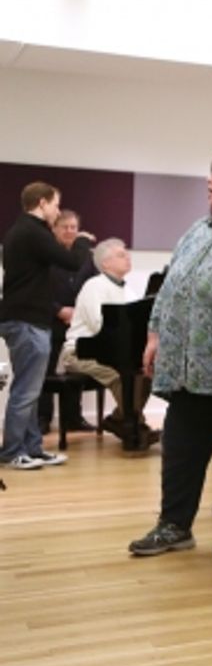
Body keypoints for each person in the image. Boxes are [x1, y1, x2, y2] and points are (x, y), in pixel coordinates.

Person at [130, 153, 212, 553]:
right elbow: (168, 287)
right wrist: (153, 335)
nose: (209, 181)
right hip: (185, 367)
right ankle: (174, 525)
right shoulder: (196, 230)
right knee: (180, 447)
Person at [0, 183, 87, 469]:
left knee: (31, 389)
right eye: (55, 205)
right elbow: (72, 261)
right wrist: (83, 241)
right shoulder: (33, 232)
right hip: (26, 320)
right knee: (26, 390)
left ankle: (33, 448)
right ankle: (13, 451)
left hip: (24, 318)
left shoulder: (21, 231)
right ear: (41, 203)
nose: (58, 211)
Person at [59, 237, 153, 445]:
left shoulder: (128, 290)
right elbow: (97, 325)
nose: (128, 257)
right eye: (121, 255)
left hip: (108, 350)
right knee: (119, 376)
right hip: (79, 352)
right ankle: (135, 426)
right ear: (105, 264)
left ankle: (120, 419)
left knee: (146, 374)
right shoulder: (94, 286)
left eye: (127, 253)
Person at [37, 209, 95, 436]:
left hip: (78, 323)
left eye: (74, 227)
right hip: (51, 320)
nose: (70, 231)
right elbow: (38, 290)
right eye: (65, 227)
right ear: (55, 230)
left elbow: (92, 287)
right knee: (45, 371)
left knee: (76, 369)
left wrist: (80, 312)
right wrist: (59, 310)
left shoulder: (87, 257)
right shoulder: (47, 256)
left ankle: (73, 417)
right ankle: (43, 418)